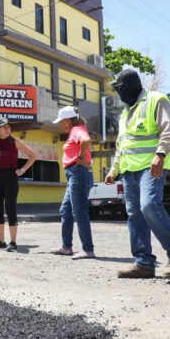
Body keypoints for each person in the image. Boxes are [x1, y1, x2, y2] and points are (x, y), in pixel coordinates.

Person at [106, 69, 170, 279]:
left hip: (151, 166)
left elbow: (169, 131)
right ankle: (143, 263)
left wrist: (160, 154)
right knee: (134, 214)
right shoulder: (125, 113)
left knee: (149, 206)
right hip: (129, 169)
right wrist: (114, 170)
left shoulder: (156, 100)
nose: (117, 92)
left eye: (118, 88)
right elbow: (122, 145)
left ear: (129, 86)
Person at [0, 117, 36, 252]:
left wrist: (22, 170)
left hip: (11, 178)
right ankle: (1, 241)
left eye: (8, 127)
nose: (7, 129)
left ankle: (13, 242)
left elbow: (33, 156)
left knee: (10, 209)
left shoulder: (15, 141)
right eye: (4, 127)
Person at [50, 107, 96, 260]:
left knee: (79, 212)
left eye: (62, 122)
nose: (61, 125)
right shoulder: (76, 130)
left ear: (68, 121)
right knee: (66, 211)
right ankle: (66, 247)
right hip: (74, 175)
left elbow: (86, 140)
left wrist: (81, 157)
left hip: (78, 173)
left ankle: (88, 249)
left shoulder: (77, 130)